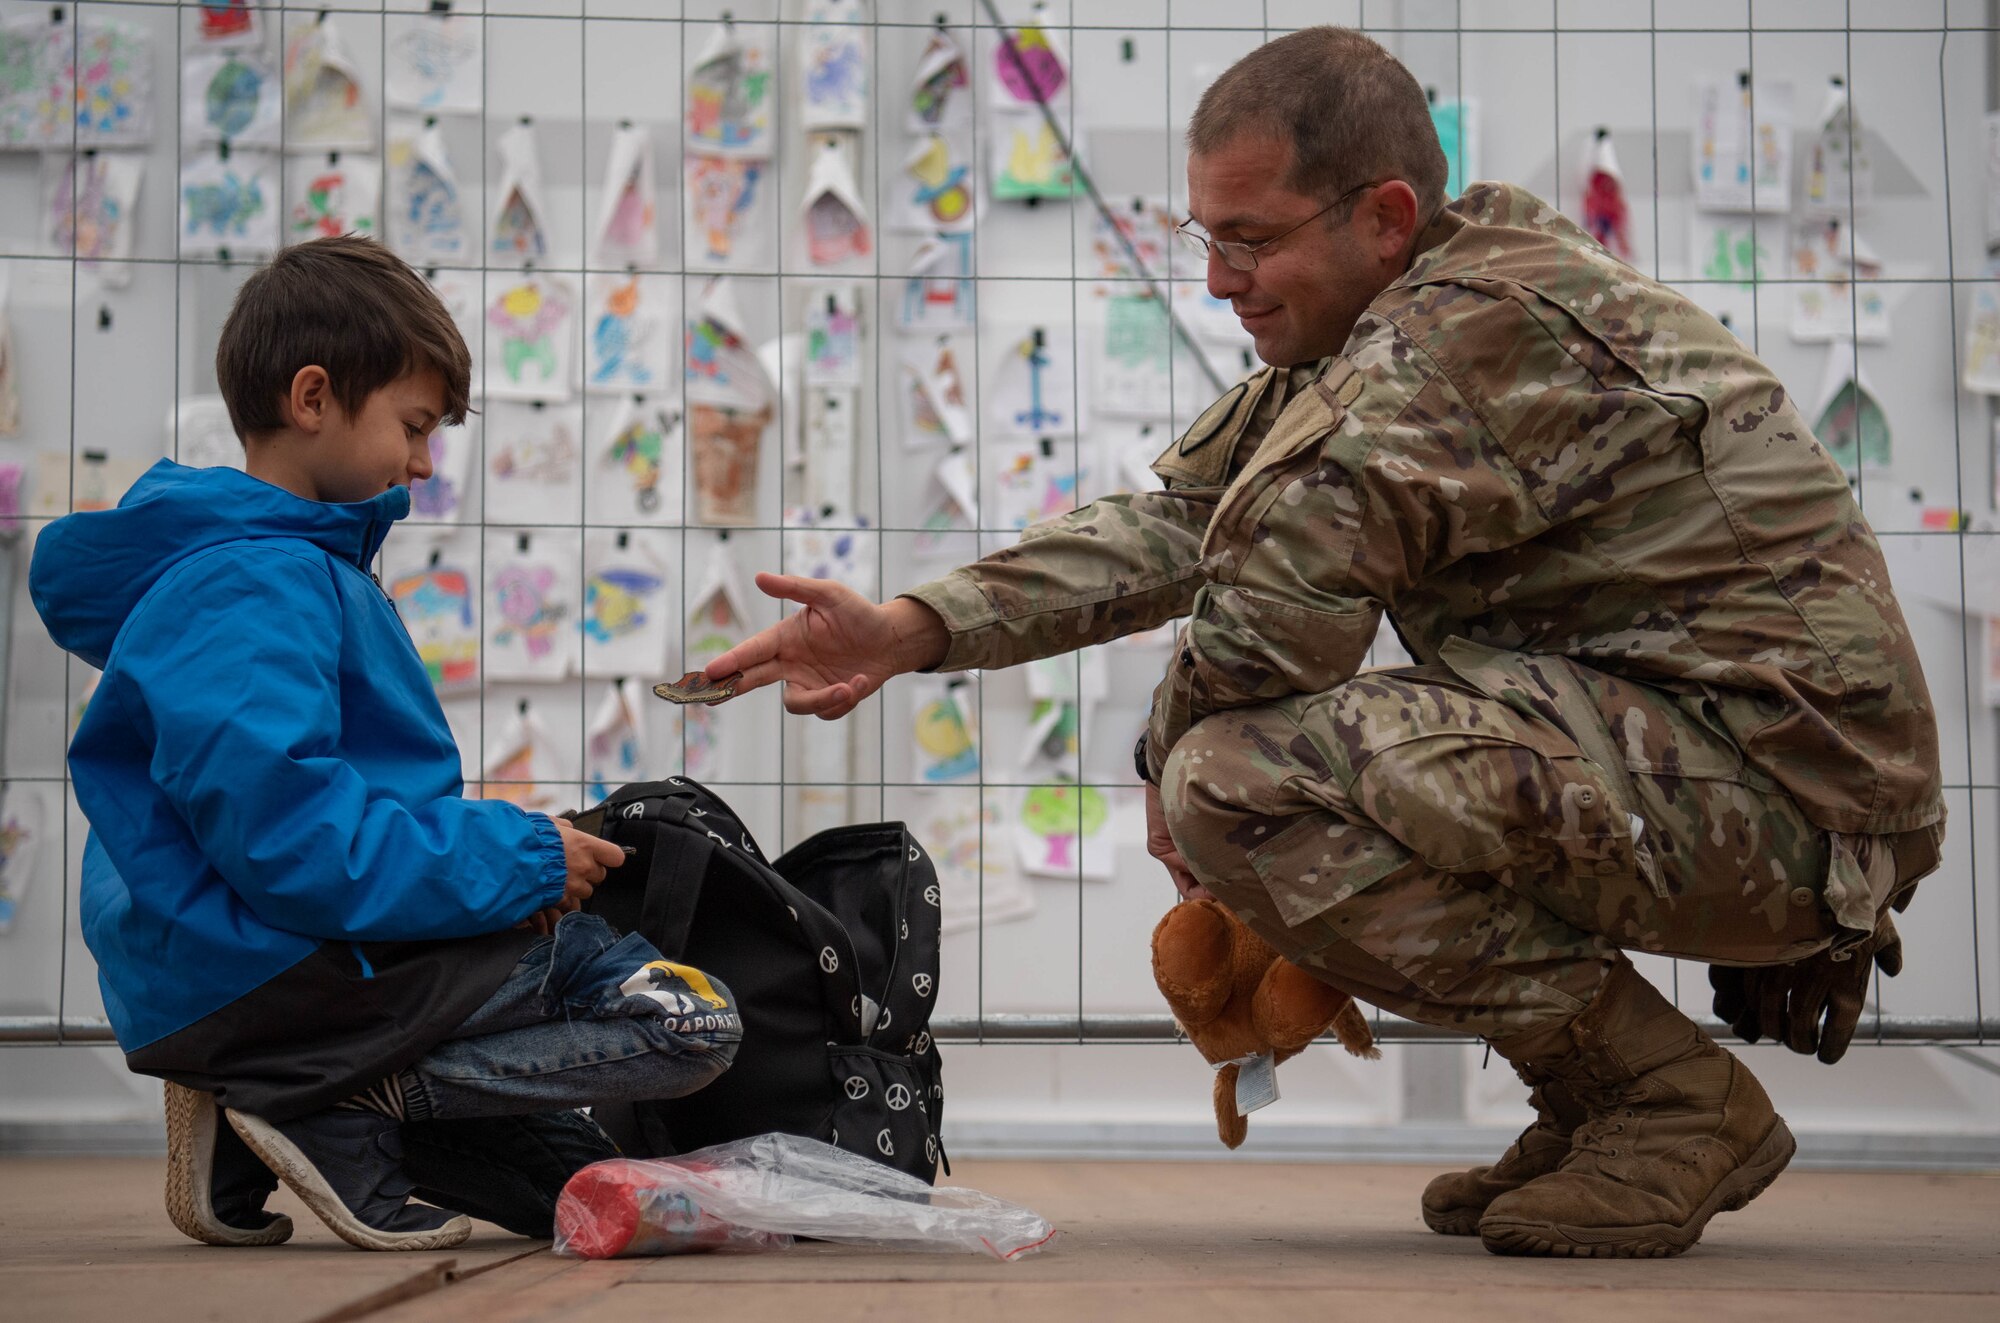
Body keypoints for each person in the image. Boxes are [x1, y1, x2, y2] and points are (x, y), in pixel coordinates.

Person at [703, 27, 1944, 1258]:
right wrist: (916, 627)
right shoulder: (1395, 315)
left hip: (1782, 797)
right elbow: (1184, 524)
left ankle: (1660, 1098)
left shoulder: (1447, 348)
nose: (1214, 280)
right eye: (1203, 238)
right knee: (1236, 770)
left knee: (1235, 782)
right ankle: (1598, 1097)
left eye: (1249, 241)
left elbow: (1265, 639)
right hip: (1737, 768)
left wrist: (1165, 781)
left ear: (1384, 215)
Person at [31, 236, 742, 1252]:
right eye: (414, 427)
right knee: (691, 1019)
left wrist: (512, 853)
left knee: (581, 1194)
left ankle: (293, 1119)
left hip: (264, 962)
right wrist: (526, 857)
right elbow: (290, 837)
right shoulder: (251, 583)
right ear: (313, 397)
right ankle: (320, 1099)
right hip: (273, 970)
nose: (421, 463)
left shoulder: (284, 571)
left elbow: (314, 814)